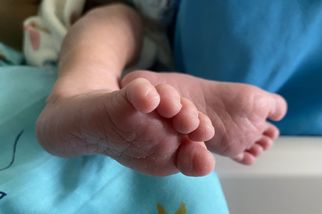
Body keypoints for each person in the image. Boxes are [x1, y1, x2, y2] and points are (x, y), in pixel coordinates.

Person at [19, 0, 287, 177]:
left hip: (185, 31)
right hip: (291, 83)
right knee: (114, 18)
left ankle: (85, 86)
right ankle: (90, 92)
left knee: (112, 20)